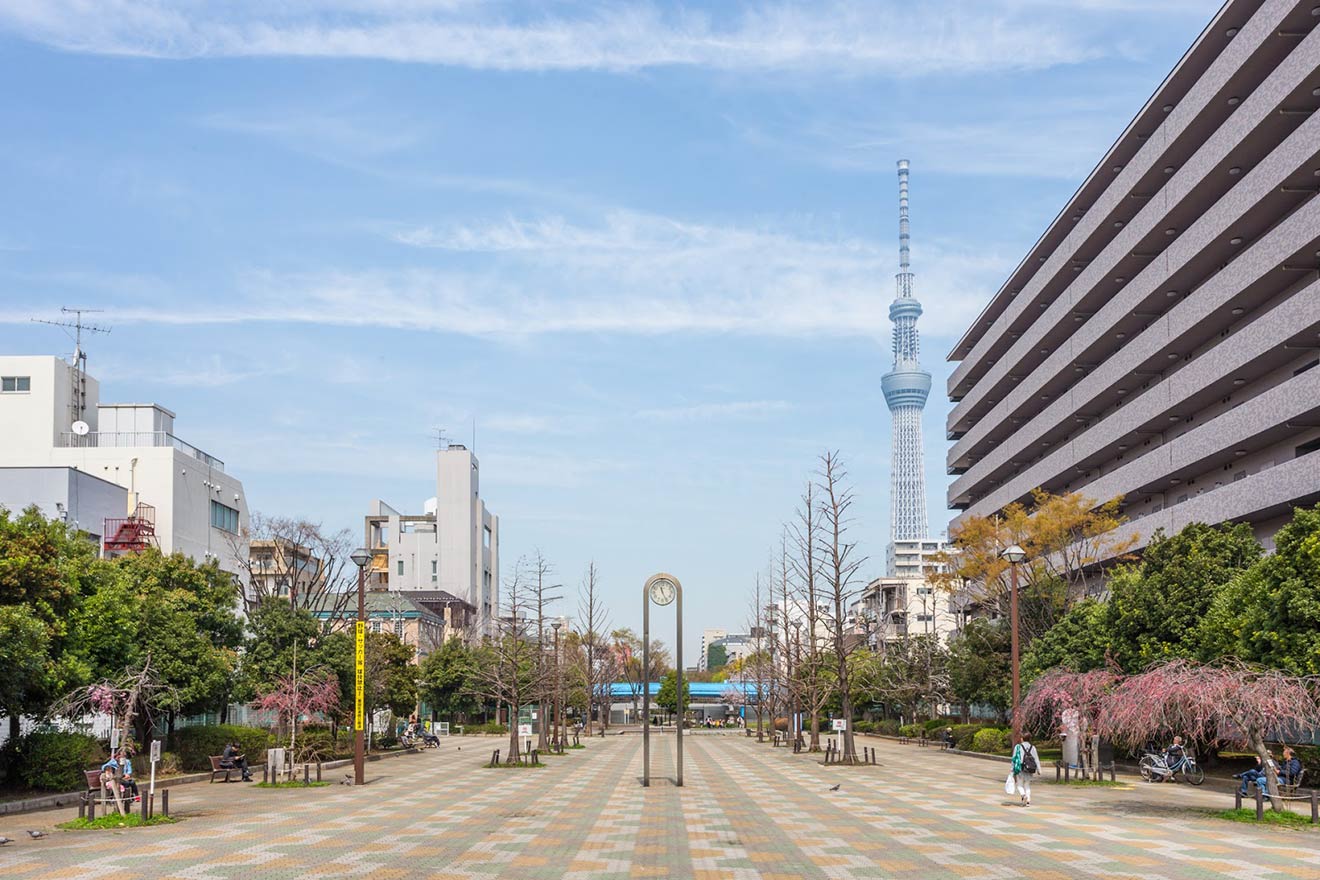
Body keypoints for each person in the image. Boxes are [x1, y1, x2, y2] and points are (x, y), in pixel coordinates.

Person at [1012, 733, 1041, 806]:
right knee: (1027, 785)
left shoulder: (1018, 747)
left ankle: (1023, 795)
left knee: (1019, 785)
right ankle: (1028, 800)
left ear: (1022, 738)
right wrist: (1039, 769)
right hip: (1030, 769)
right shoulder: (1033, 747)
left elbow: (1014, 758)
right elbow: (1036, 759)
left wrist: (1012, 769)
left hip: (1021, 768)